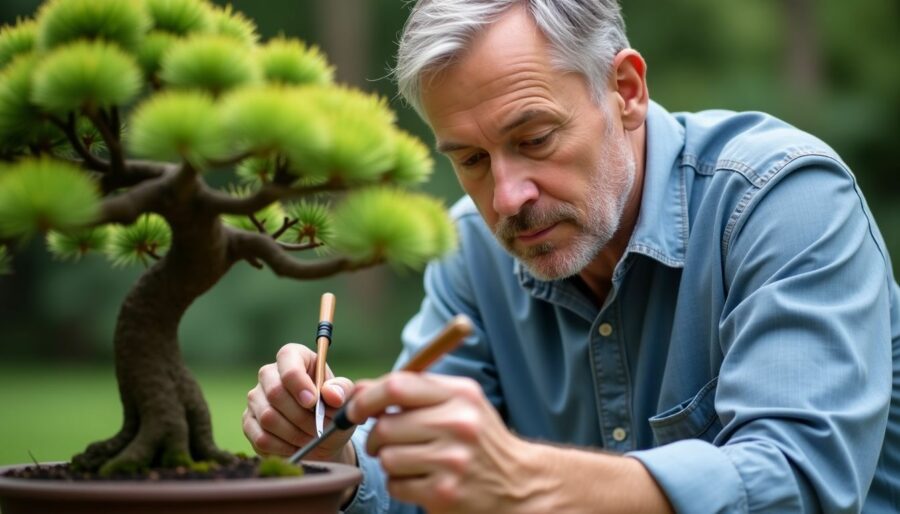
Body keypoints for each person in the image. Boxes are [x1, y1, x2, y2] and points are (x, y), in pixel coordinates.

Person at [243, 1, 900, 512]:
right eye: (470, 160)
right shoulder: (473, 250)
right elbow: (426, 484)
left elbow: (800, 481)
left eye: (534, 138)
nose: (505, 198)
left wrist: (526, 480)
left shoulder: (781, 201)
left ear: (627, 90)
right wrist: (343, 453)